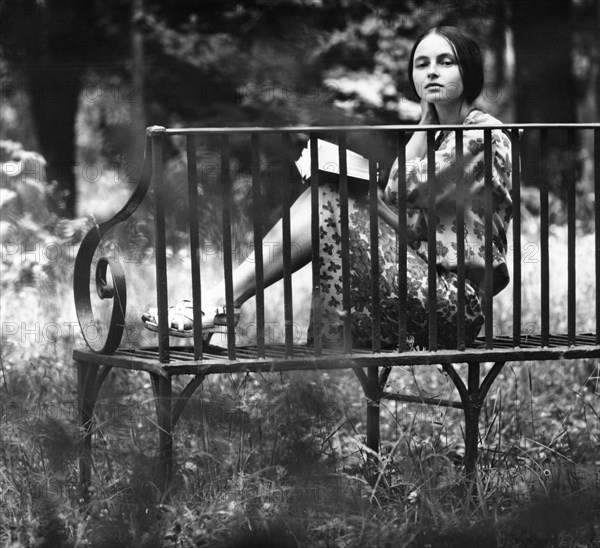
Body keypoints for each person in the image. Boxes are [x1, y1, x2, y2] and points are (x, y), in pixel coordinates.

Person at [142, 26, 513, 350]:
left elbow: (401, 190)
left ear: (470, 71)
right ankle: (222, 300)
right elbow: (405, 216)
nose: (432, 71)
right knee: (330, 193)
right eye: (421, 64)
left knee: (328, 197)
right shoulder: (444, 137)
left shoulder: (481, 134)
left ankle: (221, 300)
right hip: (426, 287)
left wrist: (420, 124)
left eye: (445, 62)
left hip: (454, 307)